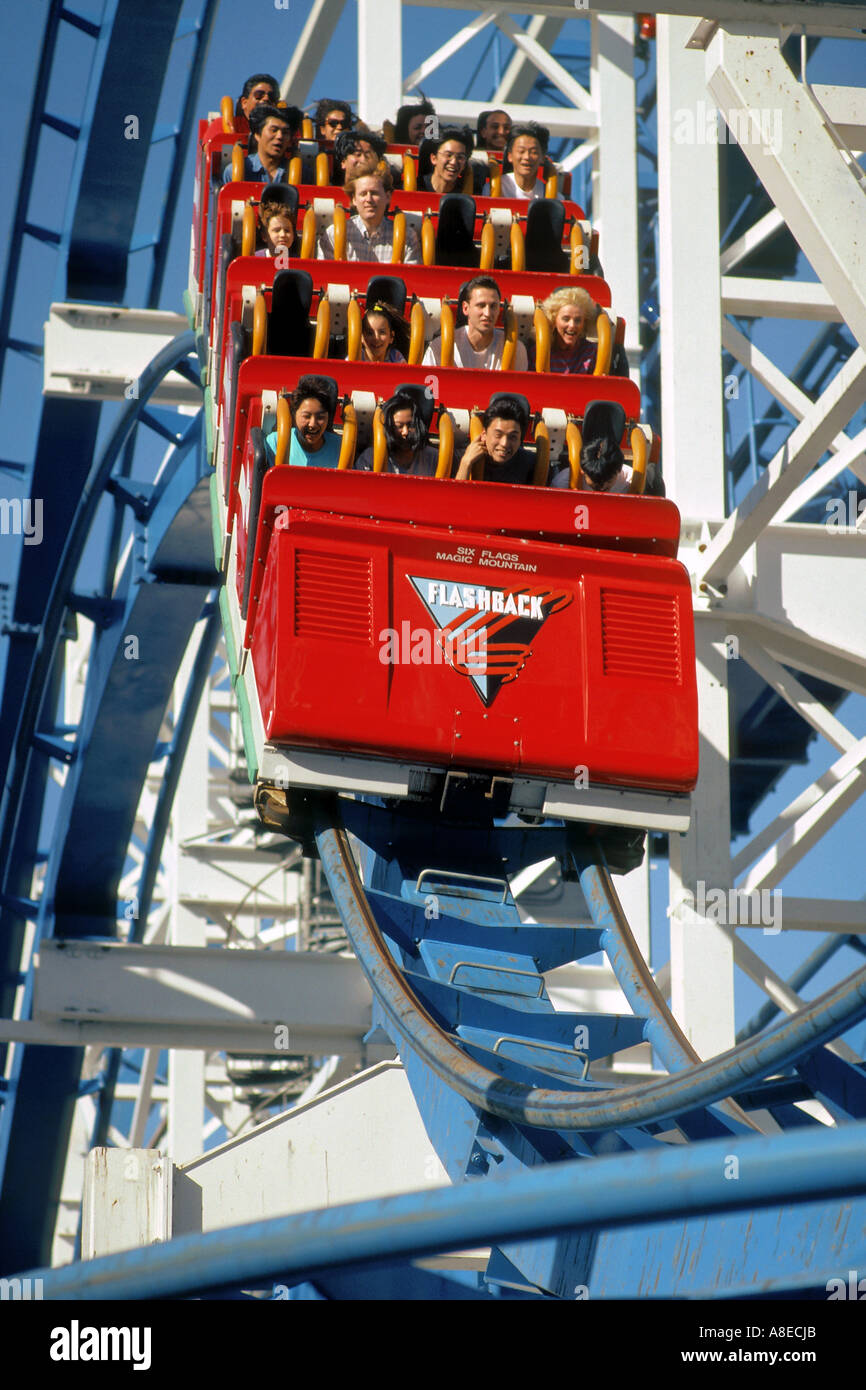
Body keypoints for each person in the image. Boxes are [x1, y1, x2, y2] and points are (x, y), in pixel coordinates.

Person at [424, 275, 528, 370]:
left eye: (493, 306)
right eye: (481, 305)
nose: (487, 313)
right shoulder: (439, 347)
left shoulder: (516, 350)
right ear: (465, 308)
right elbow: (428, 388)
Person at [318, 169, 421, 263]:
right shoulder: (333, 235)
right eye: (363, 194)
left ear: (387, 197)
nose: (369, 199)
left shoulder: (407, 238)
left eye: (374, 193)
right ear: (354, 200)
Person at [264, 377, 342, 468]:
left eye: (320, 417)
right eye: (306, 416)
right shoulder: (275, 442)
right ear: (294, 414)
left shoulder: (341, 448)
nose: (313, 424)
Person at [455, 396, 535, 484]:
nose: (504, 443)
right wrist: (465, 464)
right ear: (484, 434)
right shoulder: (459, 458)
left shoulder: (532, 464)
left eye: (512, 437)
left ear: (520, 439)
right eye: (498, 435)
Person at [356, 392, 438, 477]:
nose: (405, 432)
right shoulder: (371, 458)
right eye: (399, 426)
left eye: (411, 425)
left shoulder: (434, 458)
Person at [223, 104, 302, 183]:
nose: (279, 136)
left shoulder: (304, 174)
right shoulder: (232, 171)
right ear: (257, 134)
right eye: (273, 130)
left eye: (285, 132)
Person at [528, 287, 598, 374]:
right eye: (566, 319)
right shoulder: (537, 352)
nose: (572, 325)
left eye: (578, 320)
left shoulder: (592, 352)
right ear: (553, 320)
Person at [499, 123, 559, 201]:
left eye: (534, 152)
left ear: (542, 158)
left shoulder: (553, 196)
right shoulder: (495, 188)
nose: (527, 157)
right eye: (521, 151)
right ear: (510, 156)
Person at [418, 127, 474, 194]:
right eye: (448, 155)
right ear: (434, 158)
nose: (453, 162)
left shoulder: (469, 192)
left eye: (460, 157)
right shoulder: (417, 186)